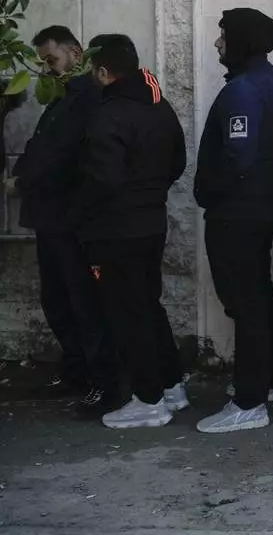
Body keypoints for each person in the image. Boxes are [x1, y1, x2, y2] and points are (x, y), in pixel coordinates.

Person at [73, 35, 189, 429]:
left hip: (116, 230)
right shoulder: (160, 106)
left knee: (127, 314)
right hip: (150, 223)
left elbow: (102, 179)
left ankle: (148, 400)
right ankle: (172, 386)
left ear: (103, 72)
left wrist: (81, 214)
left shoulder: (109, 115)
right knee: (148, 307)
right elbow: (178, 161)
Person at [9, 26, 116, 418]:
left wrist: (21, 180)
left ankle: (99, 382)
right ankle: (78, 373)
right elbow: (42, 146)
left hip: (69, 218)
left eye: (51, 60)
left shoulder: (87, 98)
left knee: (82, 302)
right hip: (51, 216)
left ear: (75, 52)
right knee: (58, 300)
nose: (47, 69)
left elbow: (61, 156)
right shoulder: (66, 98)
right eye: (42, 62)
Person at [193, 8, 273, 434]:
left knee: (244, 302)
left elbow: (240, 157)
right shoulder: (265, 81)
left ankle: (249, 402)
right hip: (259, 207)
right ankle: (266, 383)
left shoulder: (245, 91)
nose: (217, 44)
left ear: (242, 42)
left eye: (223, 37)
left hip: (238, 213)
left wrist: (209, 193)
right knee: (258, 297)